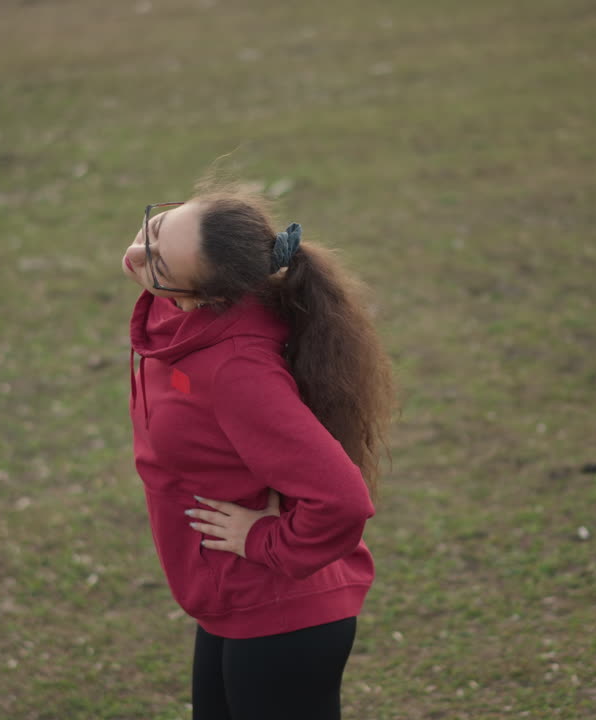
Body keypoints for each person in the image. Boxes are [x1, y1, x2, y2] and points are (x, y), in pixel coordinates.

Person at [122, 178, 394, 720]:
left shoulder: (237, 369)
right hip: (232, 599)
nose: (135, 255)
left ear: (205, 295)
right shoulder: (186, 318)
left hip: (283, 611)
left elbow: (343, 500)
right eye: (154, 227)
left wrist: (264, 539)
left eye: (158, 263)